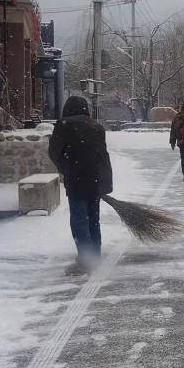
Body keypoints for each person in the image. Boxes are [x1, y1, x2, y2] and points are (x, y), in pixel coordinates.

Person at [48, 96, 113, 274]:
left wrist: (66, 168)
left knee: (79, 220)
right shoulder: (96, 126)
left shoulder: (64, 125)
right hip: (96, 180)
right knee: (93, 220)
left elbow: (54, 152)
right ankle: (94, 256)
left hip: (77, 180)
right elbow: (102, 154)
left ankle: (86, 260)